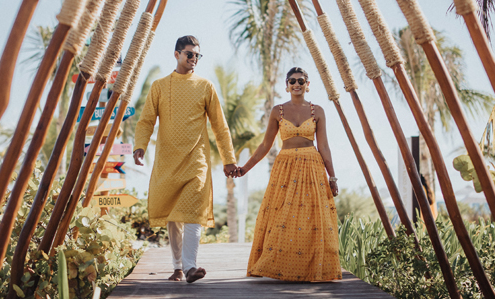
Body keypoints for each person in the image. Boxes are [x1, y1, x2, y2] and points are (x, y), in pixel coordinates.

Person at [133, 35, 238, 283]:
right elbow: (146, 120)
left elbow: (220, 127)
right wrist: (140, 146)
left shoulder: (205, 86)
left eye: (197, 55)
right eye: (189, 54)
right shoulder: (159, 86)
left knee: (193, 213)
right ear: (177, 54)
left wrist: (229, 159)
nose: (193, 59)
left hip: (196, 161)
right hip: (168, 162)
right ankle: (178, 266)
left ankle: (190, 267)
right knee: (173, 217)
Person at [238, 67, 341, 282]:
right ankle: (276, 265)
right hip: (284, 168)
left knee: (312, 217)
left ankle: (310, 268)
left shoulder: (317, 111)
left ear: (307, 84)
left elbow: (324, 146)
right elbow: (266, 145)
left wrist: (332, 177)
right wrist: (245, 169)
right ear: (286, 85)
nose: (297, 84)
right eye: (292, 81)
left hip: (312, 166)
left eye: (301, 81)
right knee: (280, 215)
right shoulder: (278, 111)